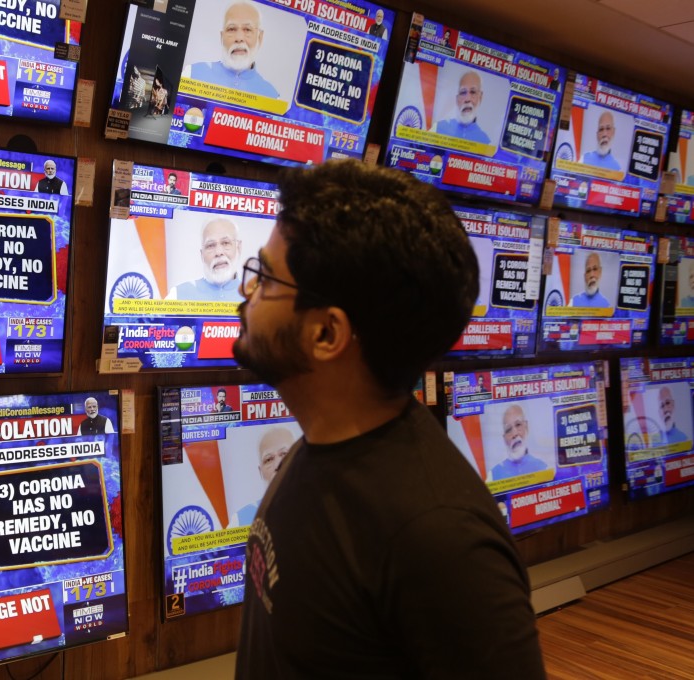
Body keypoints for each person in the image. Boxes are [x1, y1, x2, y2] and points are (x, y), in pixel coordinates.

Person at [231, 160, 545, 677]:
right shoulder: (321, 441)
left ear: (327, 335)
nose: (246, 294)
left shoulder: (441, 541)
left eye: (264, 279)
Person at [184, 1, 279, 98]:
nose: (239, 38)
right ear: (222, 37)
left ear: (260, 37)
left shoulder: (272, 96)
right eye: (231, 29)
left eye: (247, 29)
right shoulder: (192, 74)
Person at [166, 218, 245, 302]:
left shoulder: (255, 296)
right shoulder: (177, 295)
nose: (218, 252)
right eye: (210, 245)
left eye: (225, 243)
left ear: (238, 248)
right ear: (202, 255)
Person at [233, 426, 294, 527]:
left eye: (284, 454)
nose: (277, 464)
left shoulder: (317, 508)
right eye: (269, 459)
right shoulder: (240, 519)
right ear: (261, 471)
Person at [490, 404, 549, 481]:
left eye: (518, 425)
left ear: (526, 427)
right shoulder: (493, 475)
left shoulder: (544, 468)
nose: (514, 434)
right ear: (504, 439)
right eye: (508, 430)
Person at [435, 70, 491, 144]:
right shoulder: (439, 128)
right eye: (463, 92)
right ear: (457, 99)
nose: (467, 99)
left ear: (480, 97)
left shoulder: (485, 141)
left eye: (473, 92)